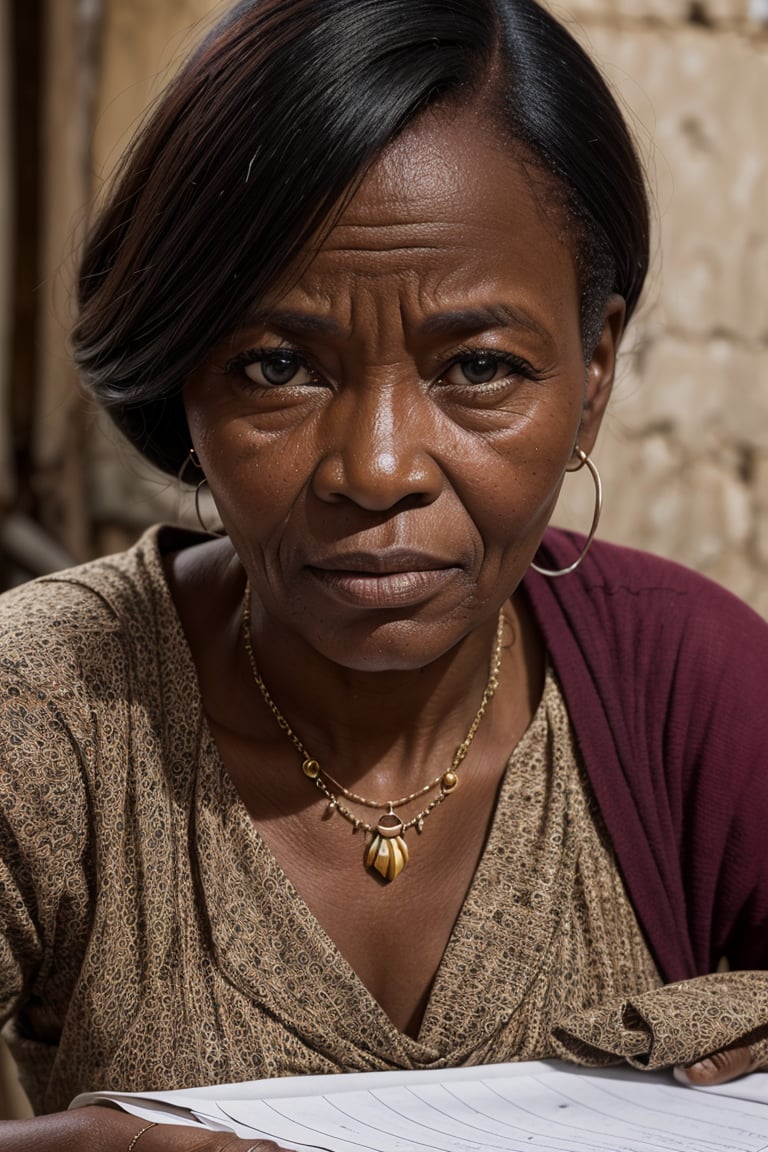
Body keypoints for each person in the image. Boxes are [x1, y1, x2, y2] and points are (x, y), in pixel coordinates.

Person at [1, 0, 767, 1148]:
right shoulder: (51, 711)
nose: (378, 468)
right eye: (276, 365)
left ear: (593, 371)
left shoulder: (695, 688)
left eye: (478, 366)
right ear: (184, 380)